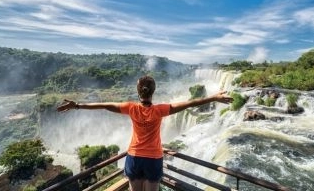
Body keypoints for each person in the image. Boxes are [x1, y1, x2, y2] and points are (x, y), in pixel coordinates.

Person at [57, 75, 233, 191]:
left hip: (133, 157)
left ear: (138, 91)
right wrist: (214, 97)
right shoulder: (161, 110)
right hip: (154, 159)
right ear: (153, 92)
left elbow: (104, 105)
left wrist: (77, 105)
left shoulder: (130, 108)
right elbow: (190, 103)